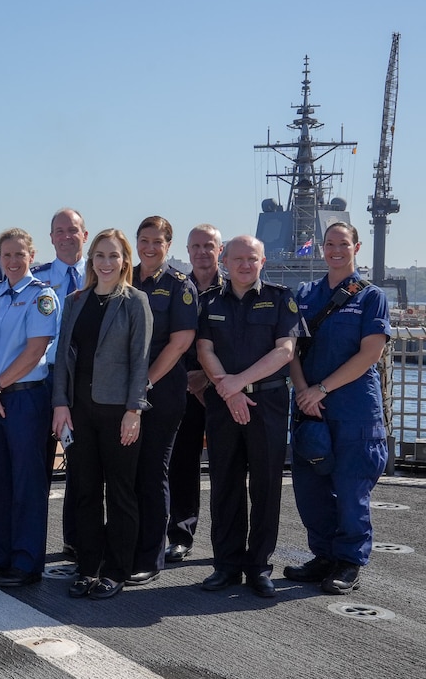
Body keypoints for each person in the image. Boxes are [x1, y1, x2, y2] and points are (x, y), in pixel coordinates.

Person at [196, 235, 304, 598]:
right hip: (224, 405)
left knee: (266, 486)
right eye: (238, 258)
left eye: (252, 259)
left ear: (263, 263)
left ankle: (259, 566)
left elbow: (285, 351)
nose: (245, 264)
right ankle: (225, 566)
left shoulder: (280, 299)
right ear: (224, 261)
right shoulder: (208, 301)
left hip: (268, 404)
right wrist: (229, 392)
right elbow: (204, 350)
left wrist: (237, 384)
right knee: (224, 485)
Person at [286, 222, 389, 595]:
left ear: (356, 247)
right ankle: (324, 556)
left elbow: (370, 354)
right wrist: (303, 392)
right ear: (321, 249)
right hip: (311, 408)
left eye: (343, 244)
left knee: (350, 490)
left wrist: (321, 389)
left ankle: (348, 561)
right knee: (310, 489)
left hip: (354, 410)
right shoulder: (306, 293)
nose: (335, 250)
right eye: (329, 244)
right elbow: (292, 349)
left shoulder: (370, 296)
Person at [52, 229, 152, 600]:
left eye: (113, 256)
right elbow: (63, 357)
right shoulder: (75, 300)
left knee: (122, 493)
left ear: (125, 260)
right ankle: (88, 567)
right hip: (79, 411)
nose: (106, 263)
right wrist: (60, 404)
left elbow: (141, 362)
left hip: (117, 413)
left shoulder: (135, 301)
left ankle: (115, 570)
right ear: (91, 260)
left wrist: (133, 411)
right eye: (99, 256)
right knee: (85, 492)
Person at [0, 228, 60, 587]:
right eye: (6, 255)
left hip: (23, 397)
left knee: (26, 482)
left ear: (31, 255)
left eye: (19, 254)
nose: (12, 261)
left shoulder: (42, 296)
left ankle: (25, 563)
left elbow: (36, 350)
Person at [127, 216, 198, 585]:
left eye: (157, 241)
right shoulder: (125, 278)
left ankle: (151, 557)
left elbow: (180, 342)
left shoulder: (179, 286)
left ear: (168, 245)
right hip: (124, 393)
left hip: (161, 392)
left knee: (153, 472)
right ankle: (126, 546)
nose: (149, 247)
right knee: (127, 473)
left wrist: (145, 383)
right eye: (143, 240)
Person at [31, 207, 88, 560]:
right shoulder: (36, 280)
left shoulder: (100, 277)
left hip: (84, 382)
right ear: (51, 237)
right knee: (36, 465)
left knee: (81, 465)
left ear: (85, 234)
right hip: (43, 378)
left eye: (73, 230)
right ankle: (30, 542)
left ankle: (76, 540)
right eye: (60, 231)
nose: (66, 236)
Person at [166, 225, 225, 563]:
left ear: (220, 249)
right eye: (196, 247)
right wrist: (187, 379)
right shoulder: (178, 288)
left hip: (220, 389)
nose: (202, 252)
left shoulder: (234, 290)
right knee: (182, 465)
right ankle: (181, 535)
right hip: (182, 389)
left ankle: (226, 542)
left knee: (225, 468)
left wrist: (207, 376)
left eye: (209, 246)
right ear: (187, 252)